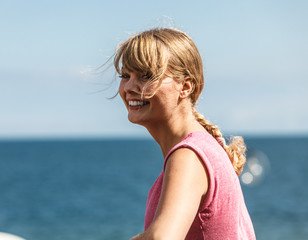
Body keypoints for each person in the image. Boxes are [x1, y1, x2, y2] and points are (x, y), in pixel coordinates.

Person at [114, 28, 256, 240]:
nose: (129, 87)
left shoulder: (189, 155)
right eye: (125, 75)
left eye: (146, 76)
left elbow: (161, 238)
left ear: (186, 86)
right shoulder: (203, 148)